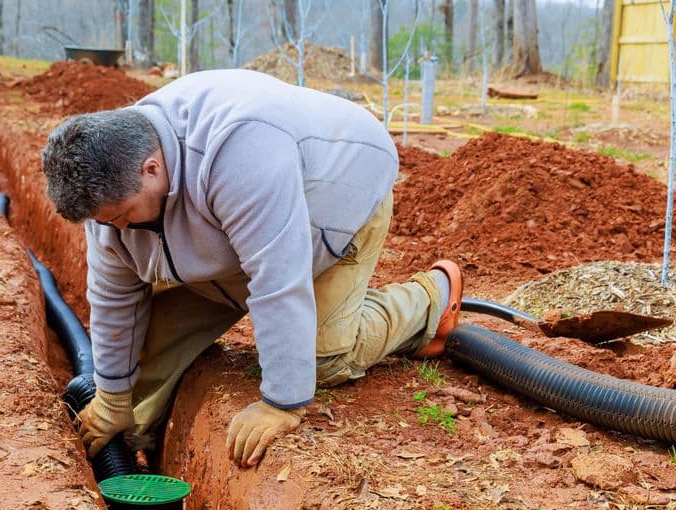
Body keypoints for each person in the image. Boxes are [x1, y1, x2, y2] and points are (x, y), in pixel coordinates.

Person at [41, 69, 462, 468]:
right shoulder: (114, 187)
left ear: (152, 170)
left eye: (120, 217)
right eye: (105, 222)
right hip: (234, 236)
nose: (115, 230)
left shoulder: (238, 152)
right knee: (143, 356)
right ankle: (139, 455)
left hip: (334, 200)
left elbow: (278, 281)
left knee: (321, 360)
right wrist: (113, 397)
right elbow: (114, 296)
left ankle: (429, 298)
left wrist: (281, 402)